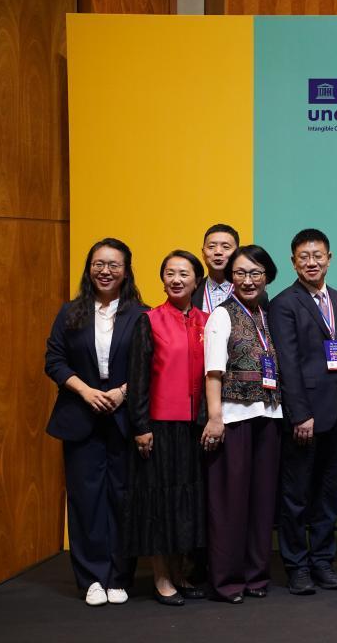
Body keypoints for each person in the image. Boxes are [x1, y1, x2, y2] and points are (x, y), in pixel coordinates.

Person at [45, 238, 147, 606]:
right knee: (85, 500)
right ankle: (91, 579)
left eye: (113, 265)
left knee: (123, 497)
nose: (105, 271)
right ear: (89, 269)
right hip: (80, 415)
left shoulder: (141, 314)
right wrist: (85, 391)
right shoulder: (70, 312)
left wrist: (122, 392)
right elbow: (54, 360)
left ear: (126, 271)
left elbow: (151, 365)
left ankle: (119, 576)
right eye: (98, 264)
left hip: (124, 418)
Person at [269, 229, 337, 595]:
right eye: (304, 257)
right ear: (293, 262)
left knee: (328, 492)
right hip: (304, 417)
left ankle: (323, 562)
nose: (311, 262)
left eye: (318, 255)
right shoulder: (284, 303)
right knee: (296, 495)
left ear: (329, 258)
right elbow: (287, 363)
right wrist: (299, 413)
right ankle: (297, 566)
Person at [123, 250, 209, 606]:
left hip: (195, 426)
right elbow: (138, 378)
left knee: (185, 502)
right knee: (159, 501)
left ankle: (179, 572)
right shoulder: (149, 320)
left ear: (196, 281)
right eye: (170, 273)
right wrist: (141, 426)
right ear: (162, 280)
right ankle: (160, 576)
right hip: (159, 426)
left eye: (184, 273)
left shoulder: (207, 321)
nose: (176, 279)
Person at [202, 245, 283, 603]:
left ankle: (255, 575)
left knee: (262, 503)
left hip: (269, 416)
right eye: (240, 273)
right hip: (234, 420)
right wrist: (215, 418)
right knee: (230, 504)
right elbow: (213, 372)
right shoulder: (222, 315)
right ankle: (227, 581)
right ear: (231, 278)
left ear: (267, 277)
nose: (248, 280)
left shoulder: (266, 314)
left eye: (255, 273)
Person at [191, 224, 239, 313]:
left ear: (237, 253)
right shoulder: (190, 291)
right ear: (203, 253)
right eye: (211, 246)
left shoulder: (253, 293)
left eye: (226, 247)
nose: (218, 252)